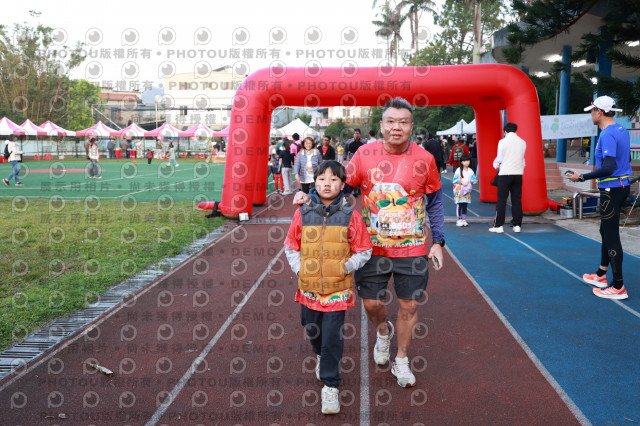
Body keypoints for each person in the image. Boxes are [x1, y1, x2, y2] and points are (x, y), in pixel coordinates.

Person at [293, 97, 445, 388]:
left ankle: (401, 359)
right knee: (373, 304)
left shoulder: (425, 159)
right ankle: (383, 332)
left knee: (409, 306)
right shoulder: (364, 154)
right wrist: (310, 198)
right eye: (391, 121)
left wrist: (438, 240)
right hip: (371, 247)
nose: (396, 127)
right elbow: (340, 187)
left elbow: (435, 201)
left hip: (412, 247)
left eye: (403, 122)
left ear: (412, 126)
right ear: (382, 125)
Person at [284, 160, 372, 415]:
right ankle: (320, 355)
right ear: (315, 182)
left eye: (334, 180)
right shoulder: (302, 213)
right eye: (322, 179)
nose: (327, 184)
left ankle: (330, 385)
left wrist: (347, 266)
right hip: (309, 287)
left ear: (342, 185)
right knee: (312, 328)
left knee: (332, 337)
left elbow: (364, 249)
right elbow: (291, 245)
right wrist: (300, 269)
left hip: (337, 290)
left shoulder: (350, 216)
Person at [568, 95, 631, 300]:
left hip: (612, 189)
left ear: (600, 112)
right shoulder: (620, 129)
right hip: (620, 187)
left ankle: (619, 286)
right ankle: (601, 274)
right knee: (605, 230)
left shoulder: (607, 134)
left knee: (611, 236)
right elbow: (623, 160)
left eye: (593, 111)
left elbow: (608, 167)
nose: (591, 115)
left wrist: (581, 177)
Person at [489, 122, 526, 234]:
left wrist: (497, 166)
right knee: (517, 200)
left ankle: (499, 226)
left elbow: (499, 159)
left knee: (501, 201)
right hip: (518, 174)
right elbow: (522, 159)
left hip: (505, 173)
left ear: (505, 131)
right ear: (515, 130)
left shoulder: (502, 142)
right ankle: (517, 225)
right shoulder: (523, 142)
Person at [452, 153, 477, 227]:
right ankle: (458, 220)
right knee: (459, 205)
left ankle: (464, 219)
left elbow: (475, 180)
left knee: (465, 205)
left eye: (468, 160)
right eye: (464, 161)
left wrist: (470, 181)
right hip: (459, 191)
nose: (466, 162)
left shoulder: (470, 171)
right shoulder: (458, 170)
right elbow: (454, 180)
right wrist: (461, 182)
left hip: (466, 191)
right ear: (461, 162)